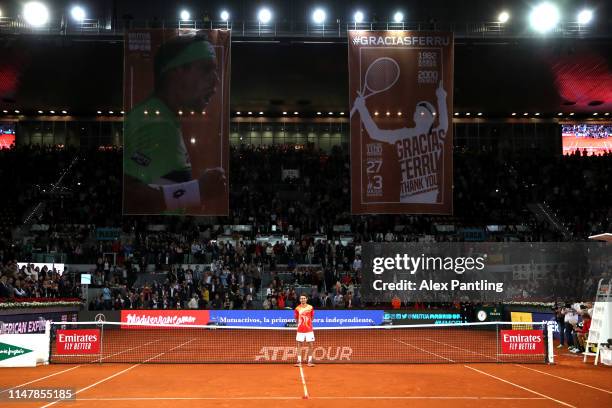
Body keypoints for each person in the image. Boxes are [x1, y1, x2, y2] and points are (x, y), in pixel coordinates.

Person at [124, 33, 226, 214]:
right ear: (176, 71)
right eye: (206, 69)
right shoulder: (153, 124)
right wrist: (197, 190)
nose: (216, 80)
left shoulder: (164, 117)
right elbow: (129, 196)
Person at [353, 80, 448, 204]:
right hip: (408, 194)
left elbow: (445, 124)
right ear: (414, 117)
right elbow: (375, 133)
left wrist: (441, 97)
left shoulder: (436, 135)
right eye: (417, 112)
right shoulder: (405, 134)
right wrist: (362, 108)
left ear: (431, 118)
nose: (419, 114)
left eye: (423, 113)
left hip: (429, 194)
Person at [294, 294, 315, 367]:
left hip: (309, 330)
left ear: (306, 299)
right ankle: (299, 361)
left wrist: (308, 324)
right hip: (300, 330)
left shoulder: (310, 307)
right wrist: (301, 324)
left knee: (311, 345)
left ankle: (309, 361)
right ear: (299, 300)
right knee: (299, 345)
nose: (302, 300)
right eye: (301, 298)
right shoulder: (297, 308)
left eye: (304, 298)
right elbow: (296, 319)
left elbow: (312, 317)